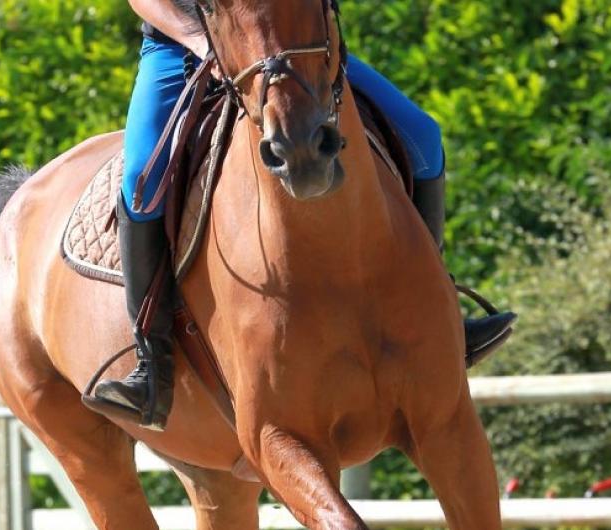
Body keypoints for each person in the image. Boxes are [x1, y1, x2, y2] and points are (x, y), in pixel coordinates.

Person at [85, 0, 516, 430]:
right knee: (142, 180)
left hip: (282, 45)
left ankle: (437, 311)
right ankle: (153, 362)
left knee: (422, 136)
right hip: (180, 50)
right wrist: (200, 40)